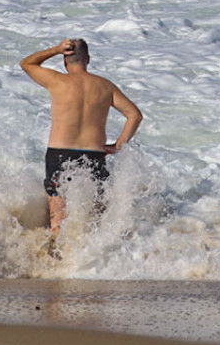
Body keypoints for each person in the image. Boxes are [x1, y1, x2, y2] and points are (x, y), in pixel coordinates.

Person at [19, 37, 143, 234]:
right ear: (88, 59)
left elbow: (26, 63)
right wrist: (119, 145)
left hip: (60, 155)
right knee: (93, 224)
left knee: (57, 224)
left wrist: (56, 49)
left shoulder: (56, 80)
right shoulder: (105, 86)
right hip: (94, 155)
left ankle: (57, 252)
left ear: (64, 61)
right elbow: (135, 115)